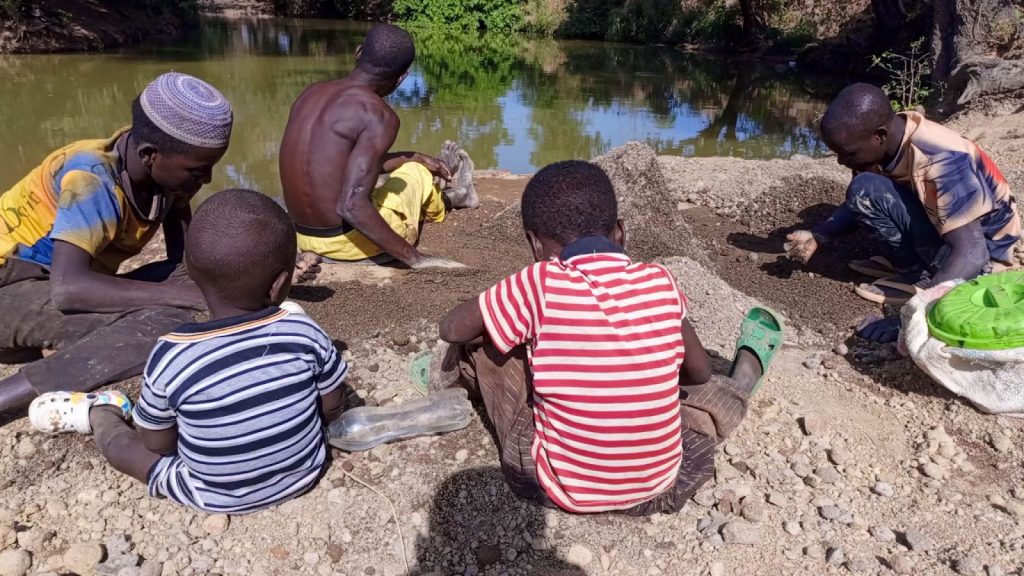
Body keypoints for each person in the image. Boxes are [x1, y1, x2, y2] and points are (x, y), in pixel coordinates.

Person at [434, 161, 785, 514]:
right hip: (663, 485)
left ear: (534, 244)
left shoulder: (539, 281)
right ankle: (741, 381)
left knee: (487, 350)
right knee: (709, 395)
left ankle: (446, 381)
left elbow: (451, 328)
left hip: (556, 487)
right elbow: (698, 373)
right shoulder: (659, 281)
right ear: (620, 232)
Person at [27, 189, 348, 514]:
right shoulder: (305, 331)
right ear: (279, 285)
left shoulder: (171, 356)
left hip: (211, 495)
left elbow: (157, 444)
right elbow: (332, 406)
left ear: (191, 275)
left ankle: (100, 413)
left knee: (126, 450)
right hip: (305, 472)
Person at [0, 72, 234, 416]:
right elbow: (69, 290)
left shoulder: (165, 180)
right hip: (12, 281)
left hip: (49, 283)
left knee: (188, 284)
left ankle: (55, 341)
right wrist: (182, 295)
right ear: (151, 154)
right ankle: (11, 395)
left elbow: (186, 262)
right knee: (163, 326)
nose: (208, 179)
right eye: (198, 170)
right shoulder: (91, 179)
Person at [786, 83, 1019, 343]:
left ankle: (923, 278)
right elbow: (872, 196)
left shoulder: (940, 160)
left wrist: (910, 316)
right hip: (950, 231)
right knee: (866, 189)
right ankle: (916, 266)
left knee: (865, 188)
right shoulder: (887, 141)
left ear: (880, 136)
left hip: (983, 258)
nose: (841, 161)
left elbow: (973, 253)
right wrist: (820, 234)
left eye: (847, 153)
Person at [280, 23, 478, 270]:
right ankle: (457, 197)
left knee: (408, 167)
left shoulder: (310, 94)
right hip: (346, 244)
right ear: (402, 78)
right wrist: (416, 259)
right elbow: (350, 205)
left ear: (358, 52)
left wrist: (412, 155)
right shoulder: (379, 115)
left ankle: (445, 192)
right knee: (413, 175)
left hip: (301, 237)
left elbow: (338, 166)